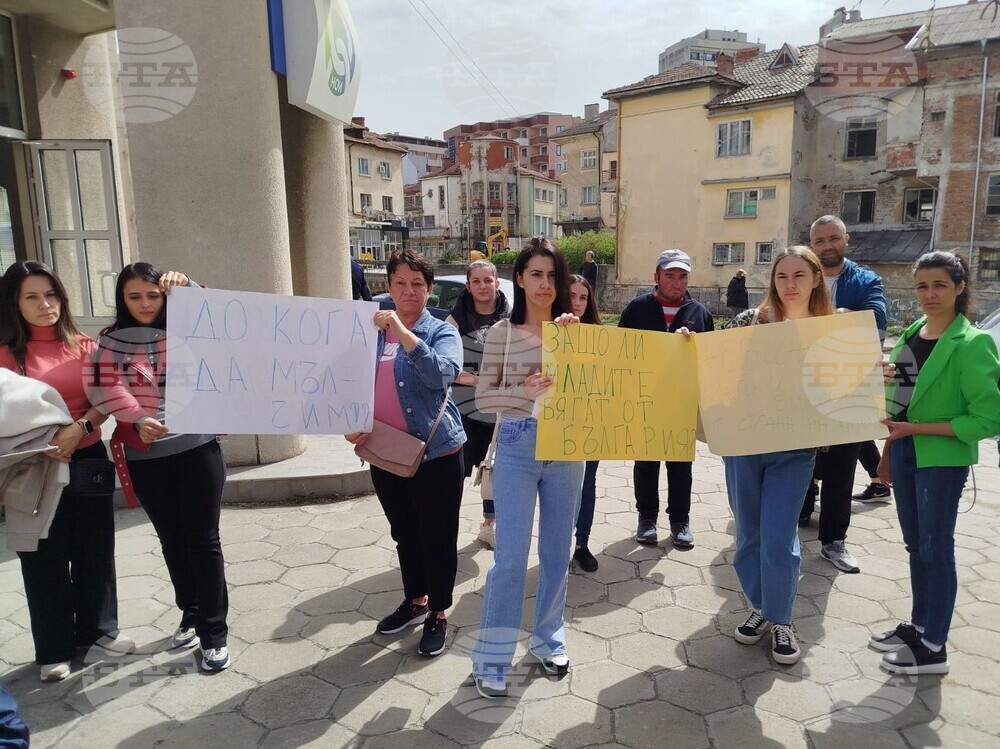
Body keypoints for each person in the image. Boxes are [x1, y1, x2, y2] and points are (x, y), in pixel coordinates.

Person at [91, 262, 232, 672]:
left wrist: (190, 285)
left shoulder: (187, 329)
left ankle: (214, 633)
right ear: (122, 299)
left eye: (153, 295)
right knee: (172, 539)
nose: (145, 304)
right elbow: (110, 385)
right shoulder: (111, 340)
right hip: (145, 454)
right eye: (134, 296)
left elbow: (223, 320)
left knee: (204, 541)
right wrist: (135, 418)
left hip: (198, 448)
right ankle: (189, 611)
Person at [0, 261, 132, 682]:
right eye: (32, 297)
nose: (45, 305)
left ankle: (98, 632)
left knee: (95, 550)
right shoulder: (3, 354)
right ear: (14, 304)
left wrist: (80, 429)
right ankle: (53, 647)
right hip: (32, 468)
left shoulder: (85, 346)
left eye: (51, 294)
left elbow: (109, 397)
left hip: (88, 460)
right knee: (42, 556)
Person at [873, 251, 1000, 675]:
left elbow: (987, 419)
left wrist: (917, 431)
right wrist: (891, 446)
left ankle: (934, 647)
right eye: (923, 285)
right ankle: (920, 624)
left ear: (960, 287)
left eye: (940, 285)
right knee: (915, 545)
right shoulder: (914, 330)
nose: (930, 294)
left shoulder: (974, 342)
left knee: (936, 548)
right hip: (907, 449)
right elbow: (904, 401)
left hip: (941, 460)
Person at [470, 238, 584, 699]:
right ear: (518, 278)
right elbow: (483, 400)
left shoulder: (576, 331)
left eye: (553, 275)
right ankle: (492, 657)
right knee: (510, 560)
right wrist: (523, 391)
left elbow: (623, 374)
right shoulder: (501, 333)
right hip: (517, 447)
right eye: (536, 274)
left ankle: (547, 638)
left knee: (558, 554)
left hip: (569, 450)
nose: (545, 284)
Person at [345, 250, 466, 658]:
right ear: (389, 286)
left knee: (437, 537)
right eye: (400, 283)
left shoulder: (441, 332)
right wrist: (353, 419)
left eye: (417, 284)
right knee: (405, 534)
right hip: (385, 451)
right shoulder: (371, 334)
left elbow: (440, 376)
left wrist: (401, 328)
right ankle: (415, 600)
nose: (408, 290)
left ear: (429, 290)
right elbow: (352, 382)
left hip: (437, 455)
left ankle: (439, 612)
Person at [724, 246, 834, 666]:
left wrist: (871, 372)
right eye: (782, 276)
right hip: (745, 447)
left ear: (815, 280)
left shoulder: (830, 330)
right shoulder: (748, 321)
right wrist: (689, 345)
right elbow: (713, 365)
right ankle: (761, 606)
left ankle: (782, 618)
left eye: (799, 276)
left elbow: (843, 386)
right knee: (748, 535)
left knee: (778, 536)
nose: (789, 285)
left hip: (796, 450)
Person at [800, 215, 887, 573]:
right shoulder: (802, 275)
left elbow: (878, 320)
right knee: (797, 456)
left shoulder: (866, 279)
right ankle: (799, 514)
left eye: (833, 239)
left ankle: (834, 541)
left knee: (841, 467)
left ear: (846, 239)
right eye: (819, 241)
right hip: (802, 386)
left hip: (847, 386)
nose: (826, 246)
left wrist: (839, 316)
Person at [618, 249, 714, 548]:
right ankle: (646, 519)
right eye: (669, 275)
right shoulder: (636, 309)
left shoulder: (700, 313)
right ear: (656, 276)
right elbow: (619, 353)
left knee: (680, 465)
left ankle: (680, 520)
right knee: (646, 463)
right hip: (644, 402)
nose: (676, 282)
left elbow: (711, 359)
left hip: (681, 404)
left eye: (682, 275)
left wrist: (693, 346)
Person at [445, 260, 510, 549]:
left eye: (488, 280)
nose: (483, 286)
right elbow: (445, 367)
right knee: (455, 473)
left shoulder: (514, 317)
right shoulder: (454, 322)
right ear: (468, 286)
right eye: (476, 281)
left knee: (497, 472)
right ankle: (446, 530)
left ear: (497, 283)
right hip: (464, 411)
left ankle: (490, 525)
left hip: (503, 412)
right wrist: (476, 380)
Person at [568, 274, 602, 573]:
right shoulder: (548, 330)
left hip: (591, 423)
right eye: (572, 296)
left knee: (586, 485)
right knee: (560, 489)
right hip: (558, 424)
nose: (577, 303)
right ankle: (557, 546)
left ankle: (582, 544)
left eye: (583, 297)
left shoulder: (600, 335)